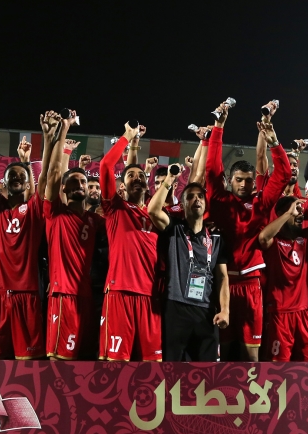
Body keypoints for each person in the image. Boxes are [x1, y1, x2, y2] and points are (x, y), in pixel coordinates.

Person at [204, 102, 291, 362]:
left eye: (248, 180)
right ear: (230, 180)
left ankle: (251, 390)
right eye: (238, 180)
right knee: (223, 352)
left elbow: (284, 174)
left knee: (250, 355)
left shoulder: (261, 203)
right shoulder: (219, 200)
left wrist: (274, 142)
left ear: (255, 182)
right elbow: (212, 169)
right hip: (224, 284)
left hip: (252, 284)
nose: (243, 184)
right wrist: (218, 127)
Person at [148, 167, 230, 361]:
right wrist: (170, 178)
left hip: (206, 310)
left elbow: (222, 277)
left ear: (205, 203)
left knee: (207, 371)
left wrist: (225, 309)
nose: (196, 200)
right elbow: (152, 210)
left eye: (200, 196)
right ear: (183, 204)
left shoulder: (217, 238)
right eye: (190, 197)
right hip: (176, 308)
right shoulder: (174, 229)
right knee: (172, 369)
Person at [43, 111, 106, 360]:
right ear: (64, 188)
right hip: (62, 295)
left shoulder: (94, 220)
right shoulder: (55, 212)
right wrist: (64, 130)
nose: (80, 184)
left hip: (87, 296)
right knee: (58, 360)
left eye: (83, 181)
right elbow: (53, 172)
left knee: (85, 360)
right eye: (75, 181)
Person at [98, 121, 161, 361]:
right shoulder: (115, 208)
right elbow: (105, 165)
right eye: (130, 175)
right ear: (122, 186)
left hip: (150, 297)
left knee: (151, 366)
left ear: (147, 182)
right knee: (116, 366)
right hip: (120, 293)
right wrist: (127, 136)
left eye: (140, 175)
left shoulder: (157, 214)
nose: (137, 178)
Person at [258, 172, 308, 362]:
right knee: (278, 366)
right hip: (279, 312)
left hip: (306, 311)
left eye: (301, 210)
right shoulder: (274, 240)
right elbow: (263, 238)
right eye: (296, 210)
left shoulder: (306, 238)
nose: (300, 213)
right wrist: (288, 212)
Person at [0, 129, 46, 360]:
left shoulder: (33, 210)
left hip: (27, 295)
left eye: (22, 175)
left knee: (28, 365)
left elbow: (44, 180)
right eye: (12, 175)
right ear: (4, 182)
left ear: (28, 182)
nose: (17, 178)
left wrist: (30, 158)